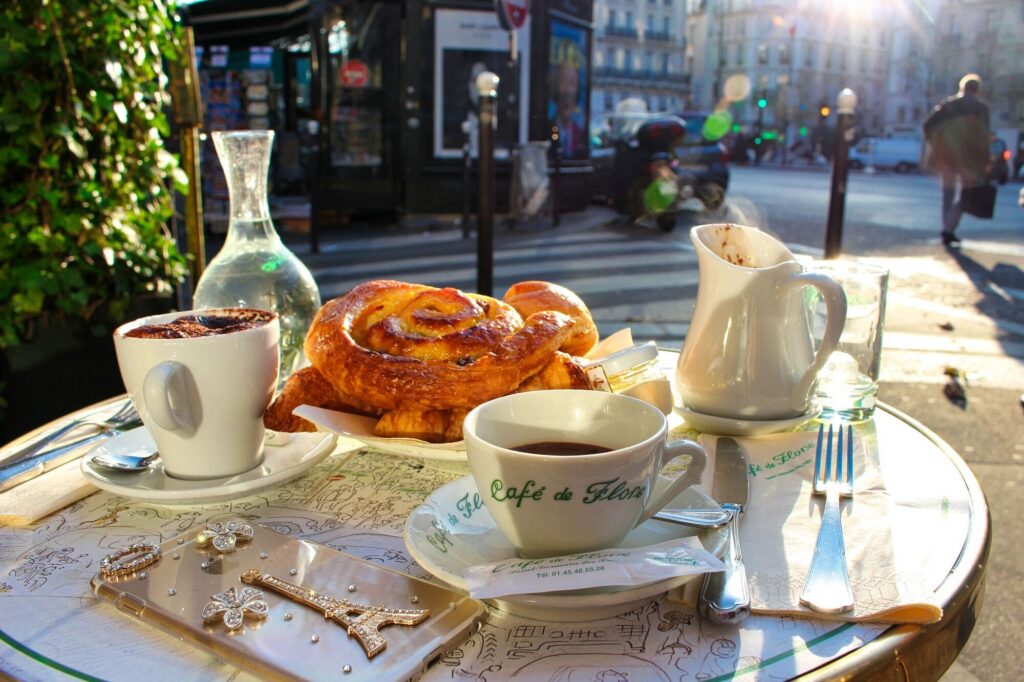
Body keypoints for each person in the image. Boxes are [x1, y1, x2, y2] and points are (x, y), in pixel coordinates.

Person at [922, 74, 991, 247]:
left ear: (962, 87)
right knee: (964, 196)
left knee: (948, 194)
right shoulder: (981, 108)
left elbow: (927, 125)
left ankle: (947, 228)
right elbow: (984, 137)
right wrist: (985, 160)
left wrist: (938, 144)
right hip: (968, 160)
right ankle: (949, 228)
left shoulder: (949, 104)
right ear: (977, 90)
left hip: (947, 157)